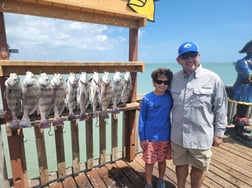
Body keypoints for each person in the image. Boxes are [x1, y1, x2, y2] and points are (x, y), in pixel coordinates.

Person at [170, 42, 228, 188]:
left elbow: (221, 108)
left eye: (193, 55)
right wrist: (147, 104)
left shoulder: (213, 78)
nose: (189, 59)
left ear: (199, 56)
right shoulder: (173, 79)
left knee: (199, 167)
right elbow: (163, 99)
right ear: (179, 60)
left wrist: (219, 133)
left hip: (201, 136)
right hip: (178, 134)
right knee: (180, 164)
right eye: (185, 56)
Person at [138, 68, 173, 188]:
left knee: (162, 161)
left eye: (166, 82)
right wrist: (142, 138)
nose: (162, 85)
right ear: (153, 82)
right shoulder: (147, 98)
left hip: (165, 136)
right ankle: (148, 183)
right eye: (159, 82)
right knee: (149, 162)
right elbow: (142, 119)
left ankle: (161, 180)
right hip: (150, 138)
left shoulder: (170, 97)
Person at [229, 40, 252, 140]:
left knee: (245, 109)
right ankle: (239, 128)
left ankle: (241, 126)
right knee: (242, 109)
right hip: (243, 91)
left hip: (249, 90)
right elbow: (248, 75)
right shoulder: (242, 62)